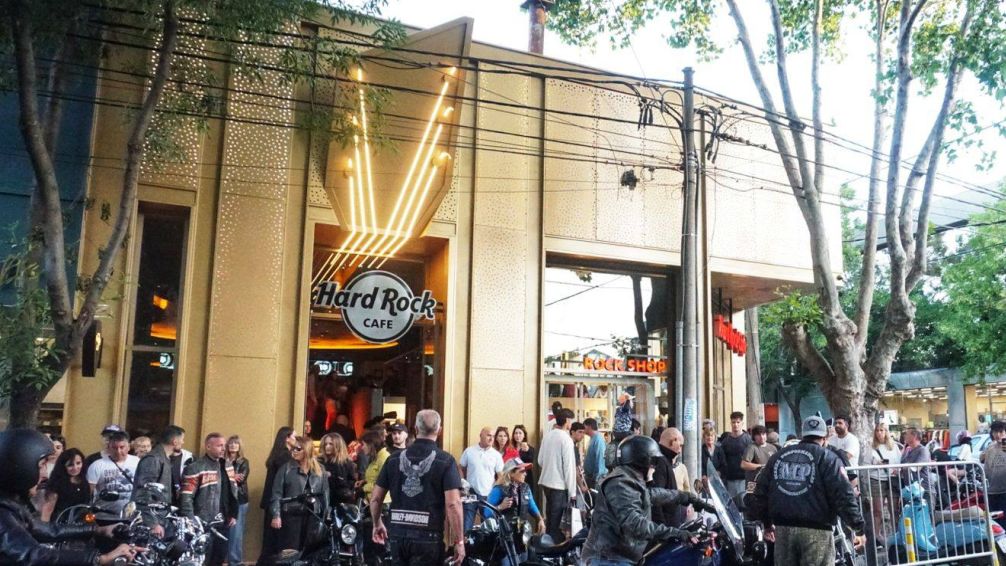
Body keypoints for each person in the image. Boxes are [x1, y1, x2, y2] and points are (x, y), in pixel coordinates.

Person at [0, 428, 138, 565]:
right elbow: (33, 555)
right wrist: (101, 559)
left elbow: (45, 530)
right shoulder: (2, 513)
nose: (45, 475)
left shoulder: (10, 505)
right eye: (41, 466)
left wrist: (99, 530)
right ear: (21, 467)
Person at [747, 415, 865, 566]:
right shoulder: (828, 458)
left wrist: (767, 524)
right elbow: (844, 495)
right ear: (824, 438)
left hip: (783, 530)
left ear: (803, 435)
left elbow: (760, 494)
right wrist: (858, 528)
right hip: (817, 531)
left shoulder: (778, 457)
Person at [581, 435, 712, 565]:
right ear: (641, 461)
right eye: (653, 462)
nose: (654, 467)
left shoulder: (631, 480)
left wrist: (688, 497)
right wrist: (675, 533)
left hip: (623, 554)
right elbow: (636, 524)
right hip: (609, 558)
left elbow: (654, 494)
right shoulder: (620, 484)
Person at [371, 409, 465, 565]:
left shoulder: (394, 459)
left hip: (397, 534)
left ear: (415, 429)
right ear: (439, 430)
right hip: (428, 537)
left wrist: (377, 524)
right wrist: (459, 541)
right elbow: (453, 504)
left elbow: (375, 498)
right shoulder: (446, 461)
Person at [179, 433, 238, 566]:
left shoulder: (228, 465)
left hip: (224, 520)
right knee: (202, 558)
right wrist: (191, 520)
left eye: (224, 445)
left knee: (219, 556)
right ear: (208, 447)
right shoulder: (195, 467)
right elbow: (186, 497)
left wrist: (234, 513)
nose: (223, 449)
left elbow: (232, 491)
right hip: (203, 522)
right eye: (219, 446)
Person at [269, 435, 329, 552]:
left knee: (310, 550)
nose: (294, 451)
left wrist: (324, 516)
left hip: (313, 515)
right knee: (290, 550)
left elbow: (325, 494)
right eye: (293, 448)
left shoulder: (320, 469)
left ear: (307, 450)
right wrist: (276, 515)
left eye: (298, 449)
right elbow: (276, 494)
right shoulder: (286, 468)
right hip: (291, 514)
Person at [484, 459, 545, 565]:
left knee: (523, 562)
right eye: (522, 471)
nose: (525, 474)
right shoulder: (499, 489)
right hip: (504, 539)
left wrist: (540, 519)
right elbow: (486, 512)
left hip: (522, 537)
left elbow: (532, 506)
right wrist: (500, 507)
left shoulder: (525, 488)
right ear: (511, 473)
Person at [132, 424, 185, 537]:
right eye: (182, 439)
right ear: (175, 441)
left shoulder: (164, 459)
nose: (183, 442)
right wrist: (152, 524)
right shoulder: (154, 459)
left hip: (162, 518)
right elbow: (143, 493)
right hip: (152, 522)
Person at [537, 408, 577, 543]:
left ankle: (547, 544)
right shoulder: (566, 439)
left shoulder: (547, 436)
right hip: (559, 486)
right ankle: (553, 549)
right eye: (571, 420)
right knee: (556, 523)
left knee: (550, 518)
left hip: (546, 482)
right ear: (567, 421)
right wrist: (572, 492)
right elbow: (569, 467)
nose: (571, 423)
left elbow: (540, 461)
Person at [257, 426, 296, 562]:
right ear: (287, 438)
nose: (296, 439)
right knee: (275, 541)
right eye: (294, 436)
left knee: (269, 539)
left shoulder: (277, 454)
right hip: (278, 502)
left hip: (271, 501)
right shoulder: (285, 457)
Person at [460, 426, 504, 532]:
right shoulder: (469, 451)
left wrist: (493, 489)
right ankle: (465, 542)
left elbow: (501, 476)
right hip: (471, 493)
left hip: (489, 495)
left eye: (493, 436)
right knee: (467, 526)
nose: (491, 438)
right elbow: (460, 467)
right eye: (489, 435)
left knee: (489, 527)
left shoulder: (496, 455)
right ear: (481, 435)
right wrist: (462, 482)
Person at [861, 422, 901, 538]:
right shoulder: (871, 447)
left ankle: (896, 534)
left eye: (881, 430)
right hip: (876, 479)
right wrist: (876, 464)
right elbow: (865, 465)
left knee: (894, 509)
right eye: (877, 430)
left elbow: (899, 462)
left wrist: (896, 470)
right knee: (877, 510)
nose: (879, 433)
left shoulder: (894, 446)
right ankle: (877, 536)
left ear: (886, 432)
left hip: (892, 479)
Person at [86, 430, 139, 515]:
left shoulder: (137, 462)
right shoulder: (97, 465)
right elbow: (89, 492)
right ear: (108, 447)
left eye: (122, 447)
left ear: (128, 447)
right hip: (105, 513)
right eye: (114, 448)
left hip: (132, 512)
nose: (118, 451)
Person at [652, 428, 692, 528]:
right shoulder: (661, 461)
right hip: (666, 525)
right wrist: (663, 529)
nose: (680, 450)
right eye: (680, 445)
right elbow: (657, 498)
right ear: (674, 440)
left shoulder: (664, 459)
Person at [40, 448, 90, 523]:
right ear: (63, 465)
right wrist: (44, 528)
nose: (75, 468)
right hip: (60, 524)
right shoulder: (56, 483)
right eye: (70, 465)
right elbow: (48, 510)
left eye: (78, 463)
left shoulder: (84, 481)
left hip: (81, 523)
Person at [225, 435, 250, 566]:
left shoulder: (243, 462)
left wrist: (229, 476)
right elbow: (222, 478)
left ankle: (235, 562)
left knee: (236, 532)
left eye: (236, 443)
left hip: (239, 499)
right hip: (224, 500)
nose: (233, 445)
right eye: (231, 443)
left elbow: (241, 479)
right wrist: (232, 476)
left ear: (240, 446)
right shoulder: (222, 460)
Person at [717, 411, 752, 500]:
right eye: (733, 422)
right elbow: (722, 460)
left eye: (738, 422)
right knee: (731, 504)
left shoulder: (748, 440)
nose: (735, 425)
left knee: (744, 503)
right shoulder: (725, 441)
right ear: (731, 423)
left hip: (744, 478)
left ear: (742, 423)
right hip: (730, 479)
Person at [741, 425, 777, 501]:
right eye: (758, 435)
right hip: (753, 483)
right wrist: (762, 466)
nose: (761, 437)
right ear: (754, 437)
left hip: (768, 483)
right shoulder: (751, 447)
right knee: (751, 502)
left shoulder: (773, 448)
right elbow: (744, 464)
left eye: (763, 434)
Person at [320, 433, 358, 505]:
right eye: (325, 444)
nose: (327, 446)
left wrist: (332, 476)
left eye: (331, 444)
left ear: (338, 445)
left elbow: (350, 483)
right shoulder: (320, 461)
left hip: (341, 501)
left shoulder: (347, 463)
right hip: (323, 500)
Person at [982, 421, 1006, 518]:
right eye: (995, 432)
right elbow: (985, 463)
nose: (998, 435)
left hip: (1004, 491)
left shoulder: (1004, 444)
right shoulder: (990, 447)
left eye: (1001, 432)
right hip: (991, 490)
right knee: (994, 520)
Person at [902, 426, 933, 498]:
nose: (904, 436)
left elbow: (916, 468)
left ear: (914, 436)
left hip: (924, 489)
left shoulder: (923, 450)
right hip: (911, 490)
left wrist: (902, 468)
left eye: (907, 434)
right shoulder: (907, 450)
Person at [512, 425, 537, 497]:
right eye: (516, 433)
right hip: (513, 478)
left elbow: (531, 462)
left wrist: (527, 450)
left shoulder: (530, 449)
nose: (517, 435)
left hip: (526, 478)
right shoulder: (511, 448)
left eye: (520, 433)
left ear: (524, 435)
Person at [583, 418, 608, 489]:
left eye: (584, 427)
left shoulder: (598, 440)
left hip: (597, 478)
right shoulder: (592, 439)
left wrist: (597, 478)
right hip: (590, 477)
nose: (583, 429)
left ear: (589, 427)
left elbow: (600, 459)